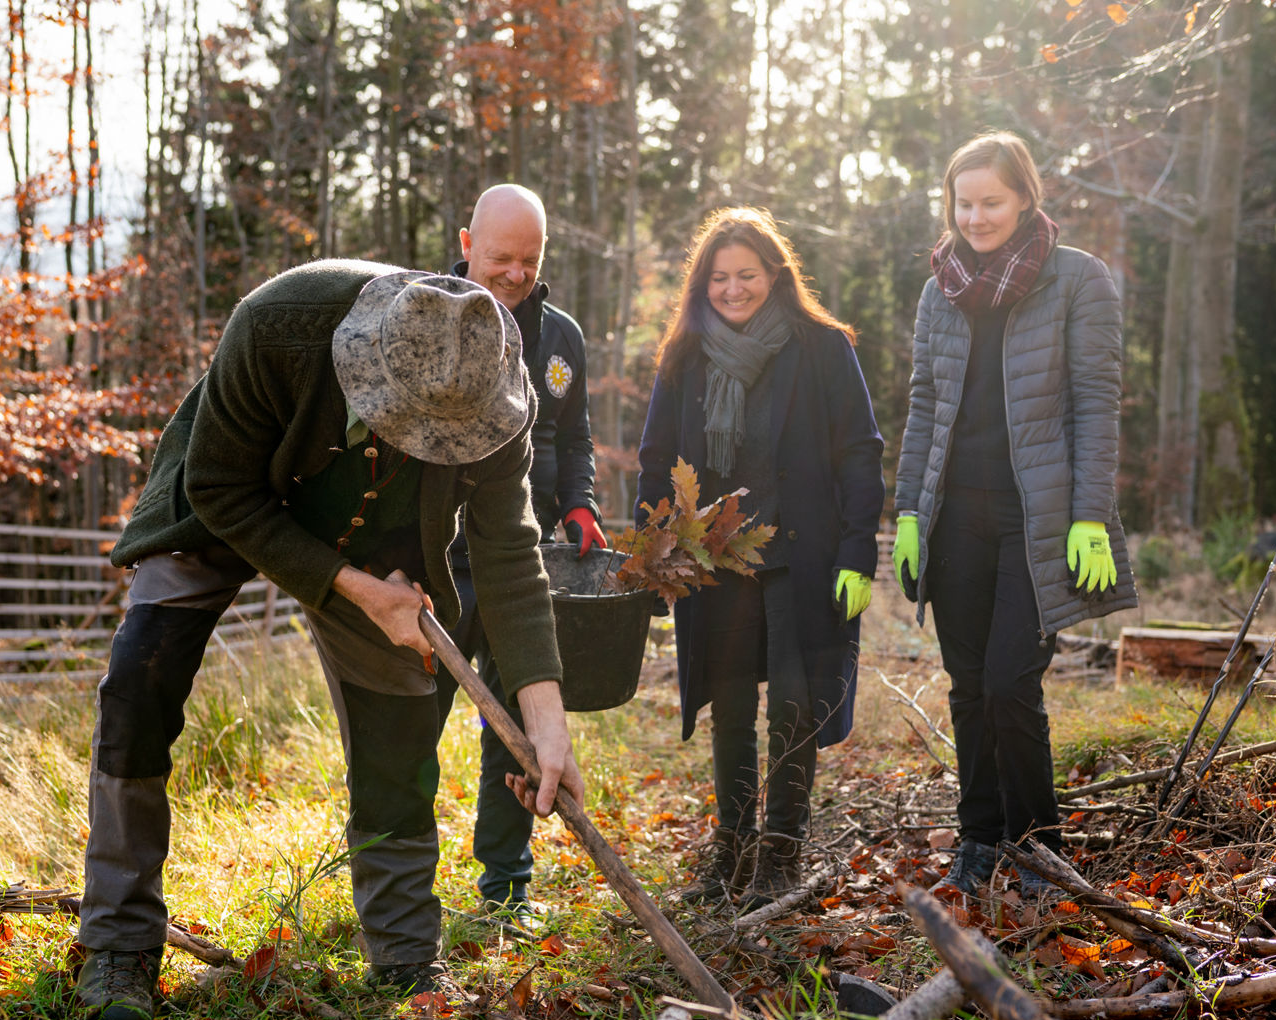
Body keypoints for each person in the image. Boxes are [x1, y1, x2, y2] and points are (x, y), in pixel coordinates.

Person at [75, 261, 585, 1020]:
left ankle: (407, 953)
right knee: (139, 678)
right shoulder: (278, 324)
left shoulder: (490, 378)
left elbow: (510, 554)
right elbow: (219, 487)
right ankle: (118, 941)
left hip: (378, 528)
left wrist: (546, 722)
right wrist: (350, 585)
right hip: (233, 497)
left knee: (401, 721)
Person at [892, 131, 1137, 899]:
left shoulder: (1076, 280)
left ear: (1026, 197)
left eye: (991, 202)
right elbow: (925, 405)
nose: (975, 217)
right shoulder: (942, 287)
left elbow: (1097, 405)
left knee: (1009, 681)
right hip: (954, 513)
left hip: (1039, 520)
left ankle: (1038, 846)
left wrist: (1089, 516)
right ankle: (979, 838)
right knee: (966, 683)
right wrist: (907, 511)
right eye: (963, 203)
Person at [635, 207, 885, 908]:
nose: (733, 289)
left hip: (804, 556)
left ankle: (781, 854)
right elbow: (656, 458)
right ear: (702, 283)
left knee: (797, 705)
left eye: (746, 275)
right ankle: (731, 852)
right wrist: (656, 546)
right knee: (732, 706)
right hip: (716, 565)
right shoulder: (686, 354)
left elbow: (860, 450)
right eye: (719, 277)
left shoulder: (822, 346)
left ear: (774, 274)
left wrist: (859, 552)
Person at [431, 184, 604, 921]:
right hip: (435, 559)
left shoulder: (561, 338)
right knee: (411, 725)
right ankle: (400, 895)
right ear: (468, 244)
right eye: (499, 256)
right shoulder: (424, 316)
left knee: (516, 728)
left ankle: (506, 888)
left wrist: (579, 501)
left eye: (528, 260)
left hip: (519, 563)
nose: (513, 272)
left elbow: (574, 434)